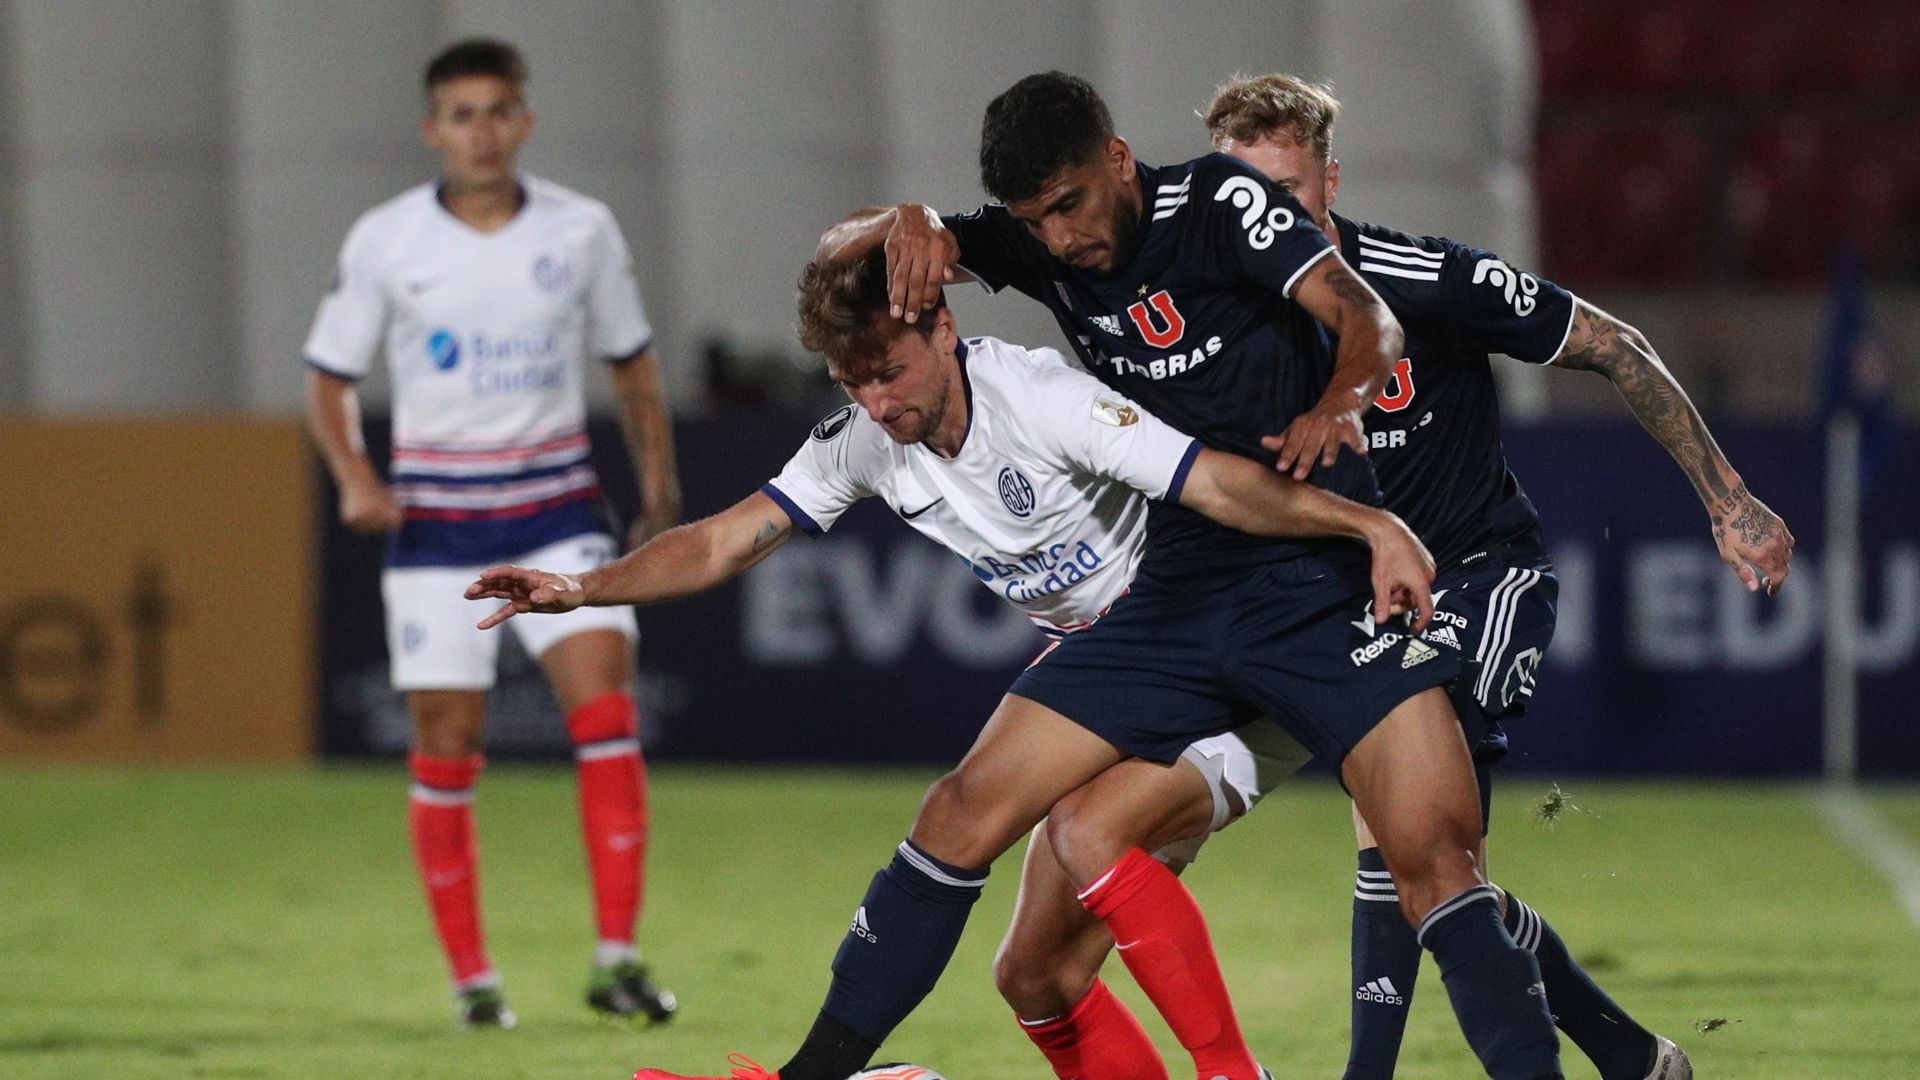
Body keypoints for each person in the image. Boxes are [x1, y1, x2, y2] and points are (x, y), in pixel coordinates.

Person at [985, 72, 1796, 1080]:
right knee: (1426, 872)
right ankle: (1633, 1057)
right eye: (1245, 194)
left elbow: (1613, 344)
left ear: (1331, 182)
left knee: (1405, 835)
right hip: (1324, 600)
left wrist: (1728, 499)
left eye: (1288, 195)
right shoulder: (1191, 301)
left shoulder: (1414, 279)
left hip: (1474, 577)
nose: (1266, 218)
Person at [469, 249, 1442, 1080]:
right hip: (1114, 678)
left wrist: (1367, 525)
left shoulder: (1043, 400)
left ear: (941, 326)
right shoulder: (864, 443)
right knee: (1034, 976)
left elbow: (1221, 487)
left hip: (1223, 655)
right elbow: (726, 541)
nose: (877, 403)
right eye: (854, 385)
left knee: (1069, 826)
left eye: (889, 371)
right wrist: (581, 590)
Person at [825, 71, 1572, 1080]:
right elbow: (850, 260)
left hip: (1316, 580)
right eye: (1031, 220)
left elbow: (1368, 318)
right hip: (1178, 589)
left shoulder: (1221, 203)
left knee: (1435, 865)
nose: (1058, 240)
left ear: (1119, 161)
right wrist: (907, 217)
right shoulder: (1034, 242)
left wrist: (1343, 401)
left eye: (1070, 206)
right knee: (965, 813)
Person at [302, 38, 681, 1029]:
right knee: (448, 742)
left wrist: (660, 484)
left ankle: (617, 957)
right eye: (462, 114)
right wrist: (352, 475)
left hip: (558, 515)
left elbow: (631, 365)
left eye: (498, 110)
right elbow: (328, 378)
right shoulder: (386, 239)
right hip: (434, 526)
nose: (482, 131)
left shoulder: (582, 229)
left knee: (604, 707)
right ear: (434, 130)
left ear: (525, 119)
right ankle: (474, 981)